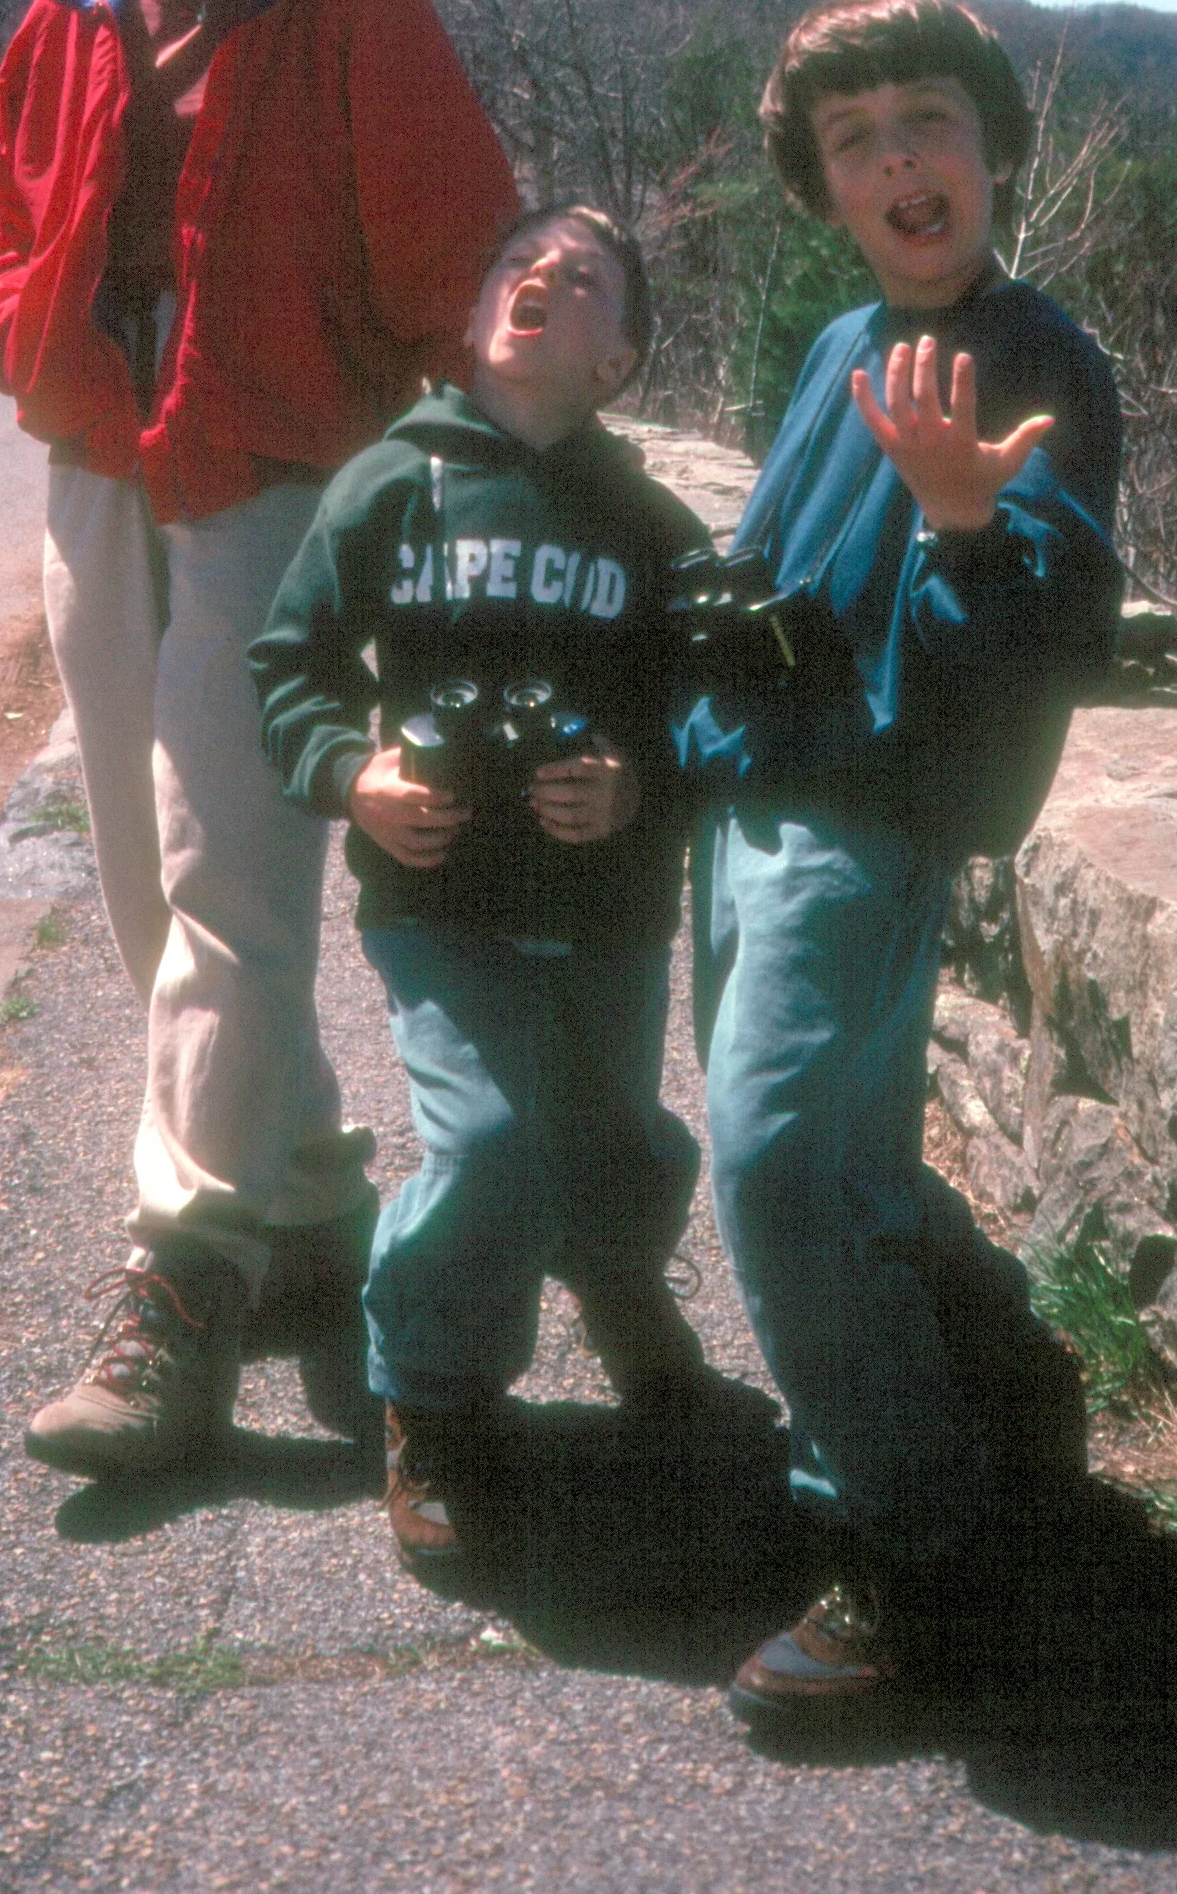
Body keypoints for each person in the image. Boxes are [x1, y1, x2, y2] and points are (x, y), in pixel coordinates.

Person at [0, 0, 518, 1478]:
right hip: (94, 453)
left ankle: (184, 1270)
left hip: (273, 469)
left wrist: (463, 474)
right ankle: (305, 1204)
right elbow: (6, 197)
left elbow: (460, 251)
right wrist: (10, 330)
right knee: (144, 872)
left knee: (232, 884)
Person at [678, 0, 1123, 1724]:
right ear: (829, 187)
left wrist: (960, 523)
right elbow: (773, 557)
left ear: (992, 147)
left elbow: (1047, 632)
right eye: (858, 141)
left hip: (866, 823)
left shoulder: (1039, 363)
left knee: (779, 1163)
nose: (899, 160)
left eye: (928, 120)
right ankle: (1001, 1381)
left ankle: (909, 1541)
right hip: (750, 799)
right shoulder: (839, 339)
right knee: (837, 1160)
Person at [252, 206, 757, 1565]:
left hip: (606, 904)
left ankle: (617, 1279)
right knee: (486, 1140)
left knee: (610, 1129)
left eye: (581, 276)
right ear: (478, 314)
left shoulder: (650, 524)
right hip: (442, 898)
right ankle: (432, 1389)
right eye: (514, 260)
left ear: (619, 358)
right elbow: (286, 668)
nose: (537, 274)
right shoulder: (387, 485)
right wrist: (355, 777)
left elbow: (705, 703)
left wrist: (641, 781)